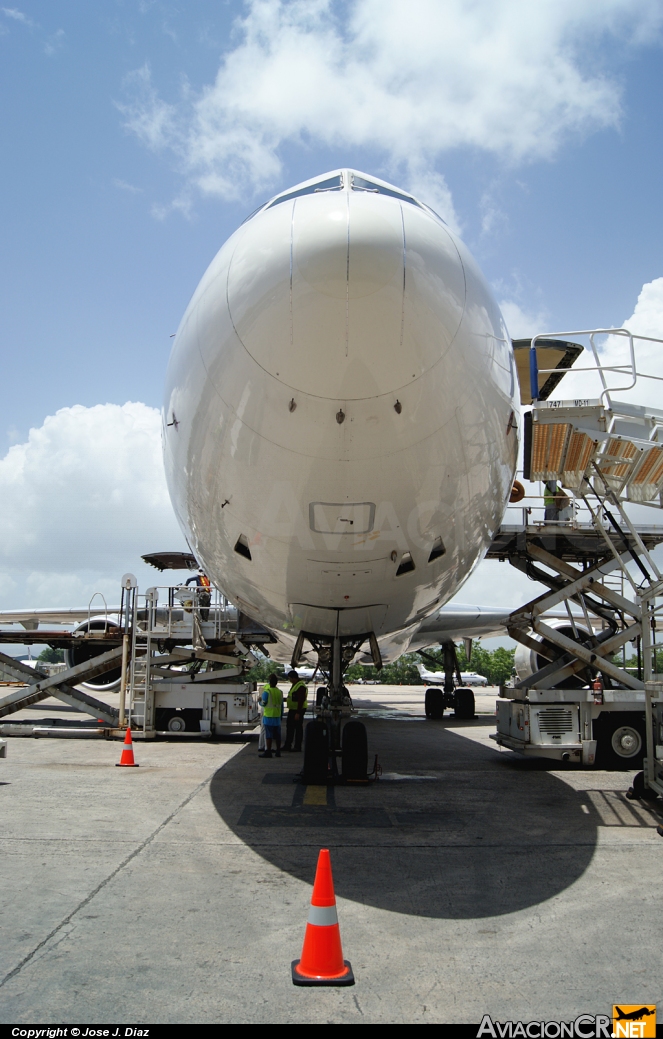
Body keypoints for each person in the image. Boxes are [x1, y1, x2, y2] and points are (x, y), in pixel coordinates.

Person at [282, 670, 308, 752]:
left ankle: (297, 746)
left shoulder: (300, 686)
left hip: (297, 710)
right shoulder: (296, 684)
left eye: (290, 678)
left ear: (294, 678)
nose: (289, 680)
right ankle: (288, 745)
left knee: (297, 728)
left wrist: (298, 713)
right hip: (293, 709)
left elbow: (301, 700)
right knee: (290, 727)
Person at [259, 673, 283, 758]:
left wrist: (259, 701)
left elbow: (264, 704)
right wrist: (281, 715)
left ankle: (268, 751)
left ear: (269, 682)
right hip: (277, 716)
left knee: (268, 735)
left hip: (268, 716)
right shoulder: (280, 692)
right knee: (277, 736)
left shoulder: (267, 692)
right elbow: (281, 705)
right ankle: (278, 751)